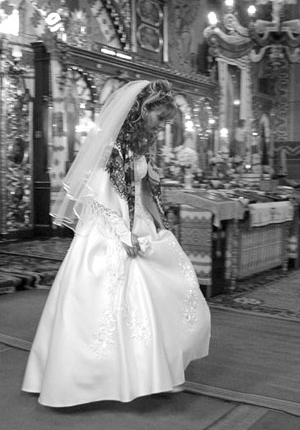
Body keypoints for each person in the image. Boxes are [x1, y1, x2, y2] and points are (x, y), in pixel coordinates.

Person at [22, 79, 211, 407]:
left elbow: (146, 190)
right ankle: (92, 379)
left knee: (156, 296)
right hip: (110, 228)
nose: (163, 125)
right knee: (110, 300)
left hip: (136, 222)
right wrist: (124, 236)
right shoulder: (111, 147)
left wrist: (162, 227)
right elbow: (100, 196)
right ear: (143, 111)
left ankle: (152, 372)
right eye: (160, 118)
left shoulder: (141, 147)